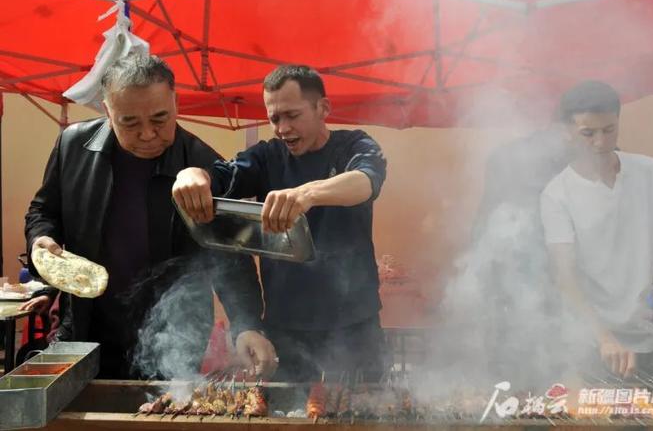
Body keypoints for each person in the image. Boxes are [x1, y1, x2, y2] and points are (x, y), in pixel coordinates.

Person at [24, 53, 275, 379]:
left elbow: (232, 259)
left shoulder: (204, 164)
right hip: (85, 324)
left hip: (176, 334)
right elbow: (43, 210)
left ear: (176, 102)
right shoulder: (73, 146)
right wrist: (40, 239)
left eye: (160, 119)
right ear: (107, 109)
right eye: (129, 122)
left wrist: (246, 325)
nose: (147, 134)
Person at [172, 64, 388, 381]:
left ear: (323, 108)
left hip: (355, 324)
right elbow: (219, 177)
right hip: (286, 328)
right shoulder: (266, 157)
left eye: (292, 115)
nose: (282, 128)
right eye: (274, 118)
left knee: (363, 415)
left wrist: (307, 194)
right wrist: (191, 174)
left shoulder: (355, 146)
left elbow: (365, 182)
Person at [540, 80, 653, 378]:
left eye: (609, 130)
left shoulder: (650, 170)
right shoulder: (557, 194)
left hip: (652, 335)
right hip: (594, 342)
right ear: (566, 133)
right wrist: (604, 337)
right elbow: (565, 276)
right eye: (588, 133)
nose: (601, 142)